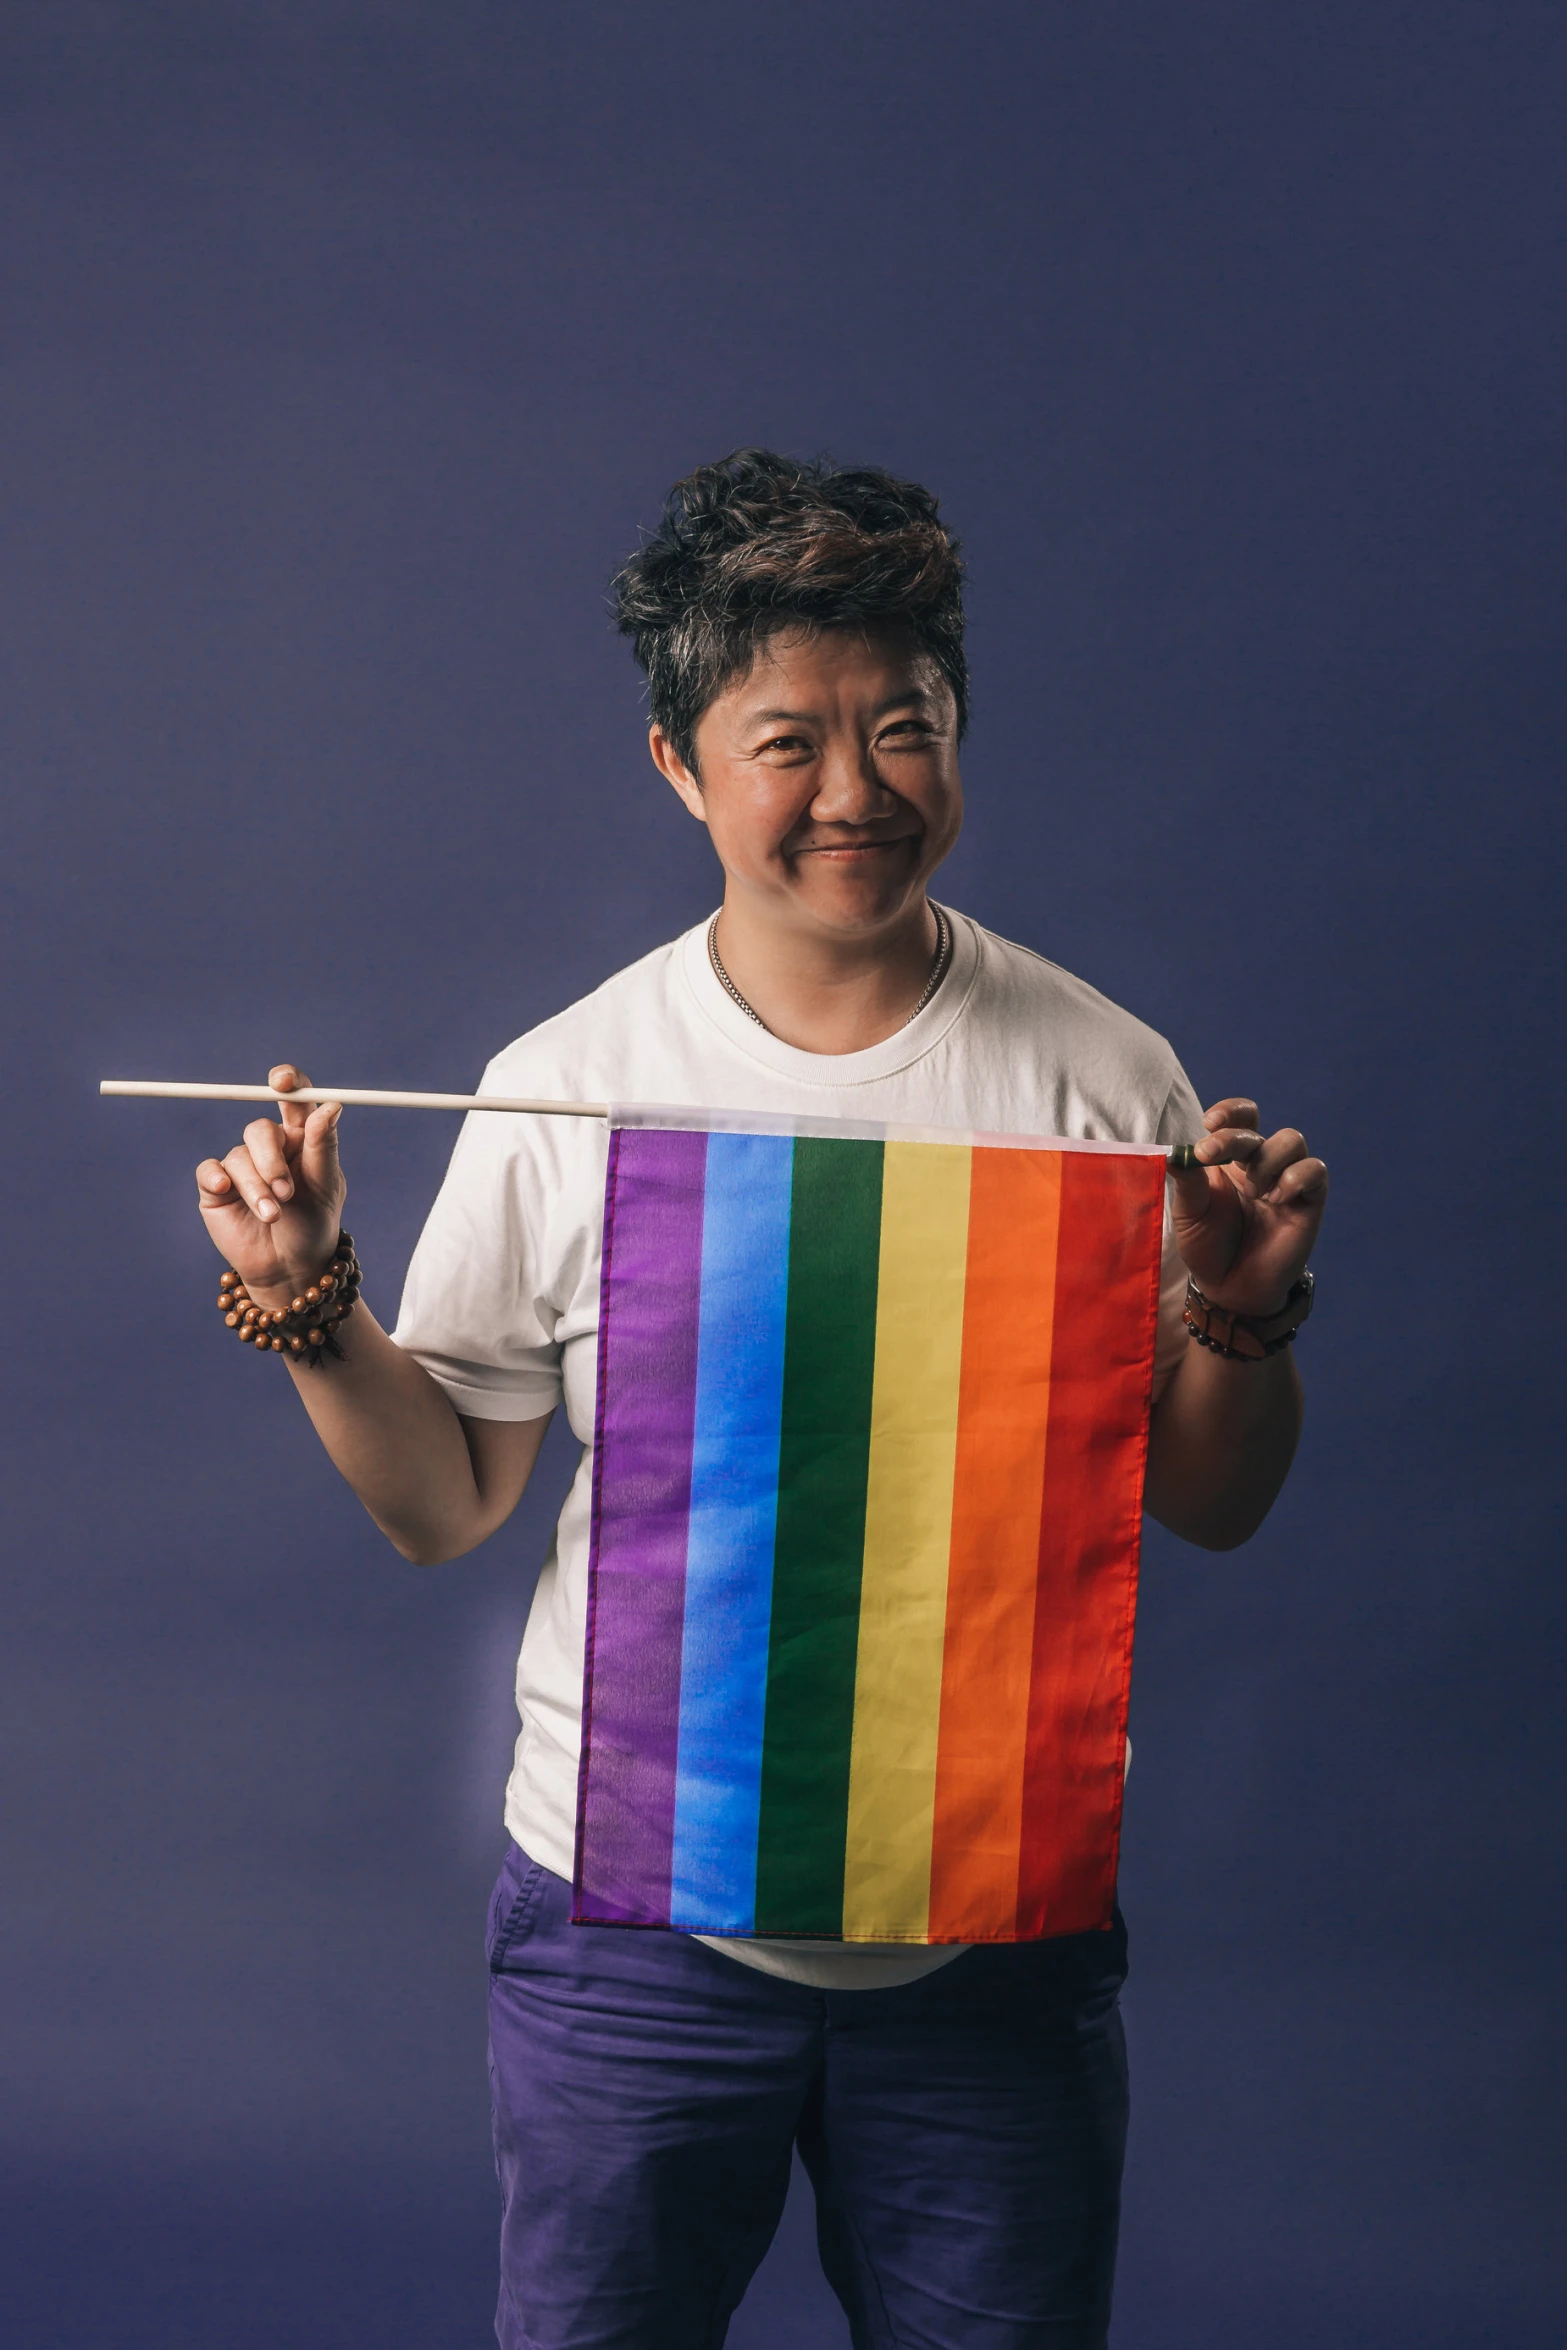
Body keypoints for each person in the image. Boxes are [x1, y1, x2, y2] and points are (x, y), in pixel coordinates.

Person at [193, 449, 1328, 2350]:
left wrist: (1236, 1314)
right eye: (787, 740)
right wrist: (308, 1301)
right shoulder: (568, 1081)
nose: (857, 792)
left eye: (907, 727)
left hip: (992, 1929)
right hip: (633, 1927)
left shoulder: (1101, 1076)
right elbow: (445, 1500)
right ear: (678, 762)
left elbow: (1209, 1499)